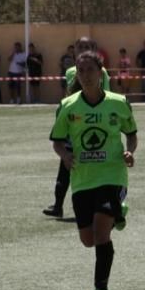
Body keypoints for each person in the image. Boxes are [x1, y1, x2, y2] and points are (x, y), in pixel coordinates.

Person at [50, 51, 136, 290]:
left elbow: (131, 133)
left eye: (90, 70)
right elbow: (57, 142)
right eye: (81, 70)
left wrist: (130, 150)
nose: (86, 75)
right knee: (88, 240)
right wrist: (65, 156)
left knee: (100, 234)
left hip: (112, 174)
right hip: (82, 179)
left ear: (101, 73)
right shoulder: (68, 106)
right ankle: (117, 213)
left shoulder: (118, 102)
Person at [44, 40, 112, 218]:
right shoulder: (69, 72)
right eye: (79, 48)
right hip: (75, 120)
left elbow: (104, 95)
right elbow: (70, 93)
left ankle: (104, 204)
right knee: (66, 163)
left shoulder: (101, 72)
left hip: (92, 121)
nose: (82, 51)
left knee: (96, 162)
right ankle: (58, 205)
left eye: (85, 48)